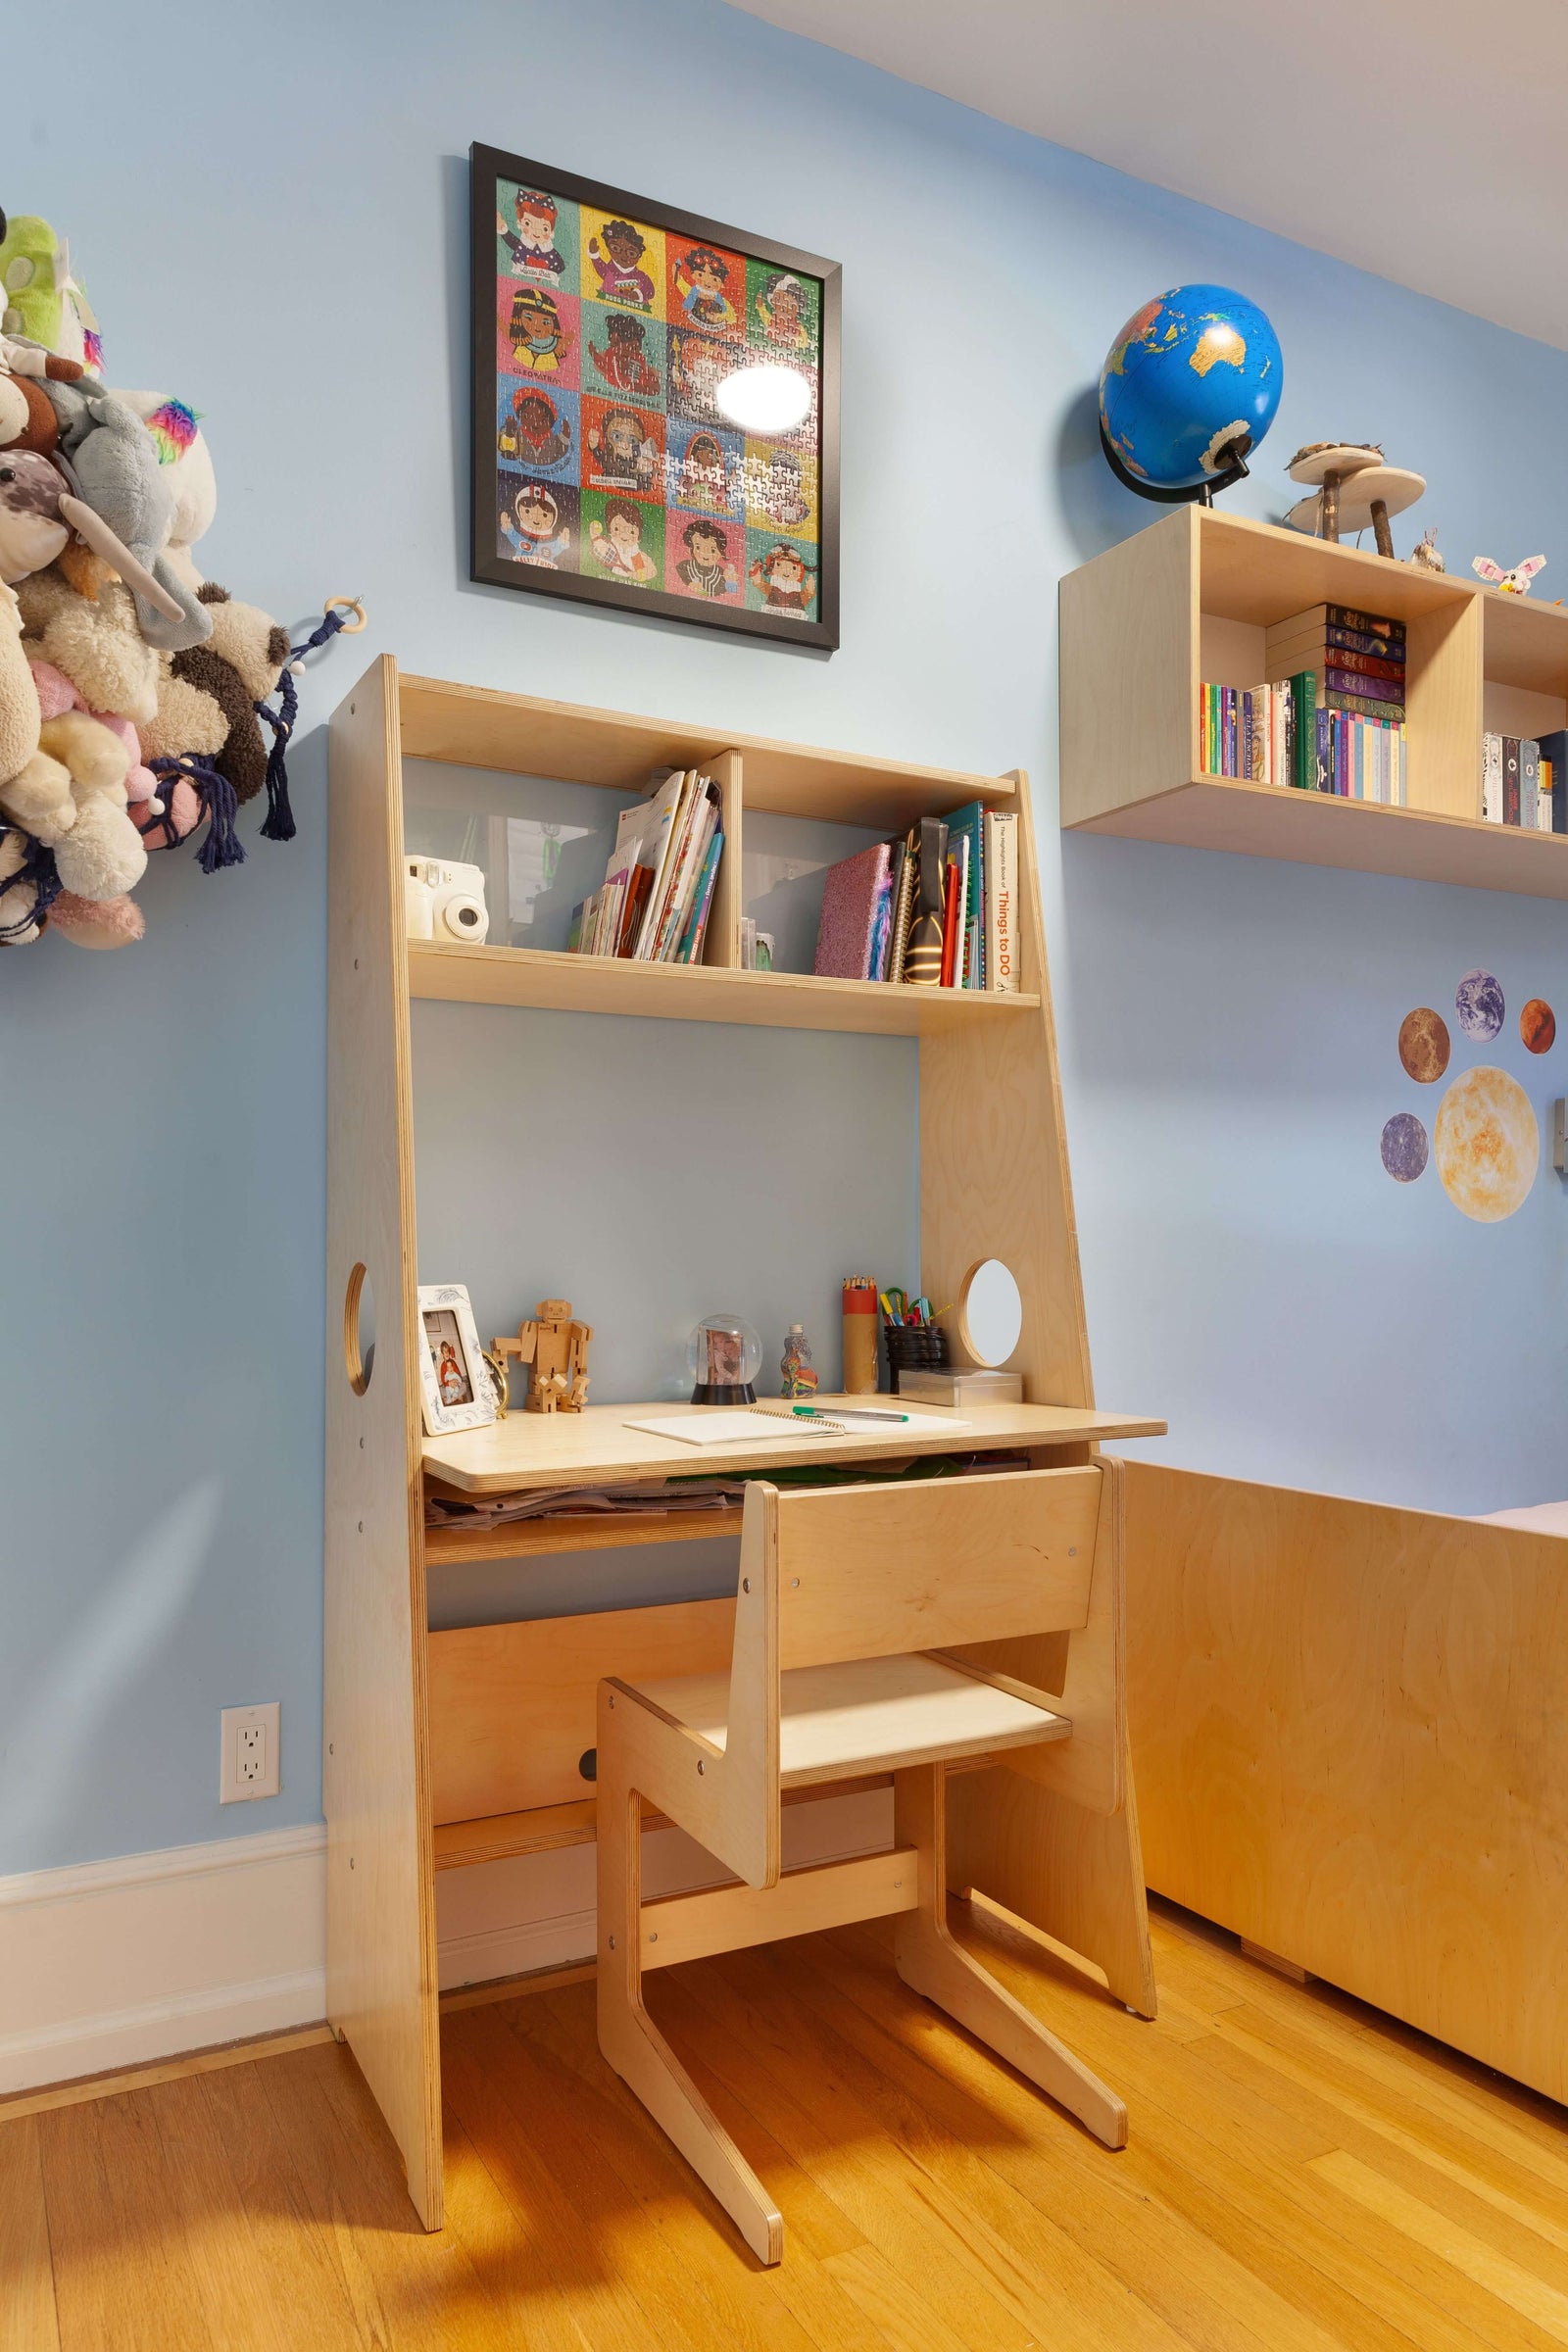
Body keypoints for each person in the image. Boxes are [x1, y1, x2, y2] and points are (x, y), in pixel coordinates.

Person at [587, 311, 660, 396]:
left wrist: (642, 387)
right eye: (614, 343)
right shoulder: (611, 356)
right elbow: (603, 365)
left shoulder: (639, 359)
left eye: (634, 347)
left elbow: (655, 388)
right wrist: (593, 353)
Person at [496, 188, 565, 277]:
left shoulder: (550, 251)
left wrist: (550, 274)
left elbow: (561, 266)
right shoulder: (524, 244)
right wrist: (503, 229)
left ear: (551, 231)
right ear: (520, 223)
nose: (536, 231)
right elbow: (512, 242)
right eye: (528, 223)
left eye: (544, 228)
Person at [588, 219, 657, 309]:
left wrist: (637, 294)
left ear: (638, 256)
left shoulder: (641, 276)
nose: (623, 256)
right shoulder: (609, 269)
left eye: (631, 253)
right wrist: (594, 255)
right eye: (615, 248)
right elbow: (601, 269)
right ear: (608, 248)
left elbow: (650, 292)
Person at [587, 406, 659, 492]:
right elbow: (603, 460)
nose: (625, 445)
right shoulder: (609, 462)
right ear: (608, 439)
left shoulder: (638, 465)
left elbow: (647, 487)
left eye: (632, 440)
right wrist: (595, 448)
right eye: (617, 436)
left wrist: (644, 473)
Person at [498, 387, 571, 470]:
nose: (535, 423)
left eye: (543, 420)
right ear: (520, 416)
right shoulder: (516, 434)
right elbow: (506, 448)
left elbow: (561, 449)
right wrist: (509, 430)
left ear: (551, 422)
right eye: (527, 416)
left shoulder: (553, 441)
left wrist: (565, 436)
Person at [588, 497, 658, 584]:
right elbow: (597, 541)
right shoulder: (611, 550)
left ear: (638, 536)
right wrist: (594, 530)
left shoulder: (636, 556)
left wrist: (641, 575)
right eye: (617, 529)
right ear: (610, 530)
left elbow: (652, 570)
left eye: (632, 532)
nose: (624, 535)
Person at [501, 482, 571, 567]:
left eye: (545, 515)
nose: (536, 519)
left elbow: (556, 547)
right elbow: (513, 535)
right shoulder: (521, 541)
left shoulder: (548, 547)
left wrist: (562, 542)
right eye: (527, 511)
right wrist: (507, 527)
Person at [509, 285, 573, 373]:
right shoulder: (521, 342)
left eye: (545, 323)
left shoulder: (554, 345)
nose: (538, 327)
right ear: (518, 317)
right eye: (529, 318)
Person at [673, 244, 737, 332]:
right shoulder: (694, 291)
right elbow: (681, 284)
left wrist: (719, 317)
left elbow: (733, 317)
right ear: (693, 275)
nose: (707, 282)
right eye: (700, 274)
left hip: (713, 332)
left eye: (714, 279)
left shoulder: (720, 299)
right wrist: (675, 270)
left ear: (722, 284)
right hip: (690, 327)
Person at [750, 539, 816, 616]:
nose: (786, 572)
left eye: (793, 568)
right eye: (779, 564)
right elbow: (760, 584)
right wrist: (755, 572)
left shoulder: (797, 595)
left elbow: (806, 596)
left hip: (795, 617)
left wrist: (810, 588)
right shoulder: (773, 590)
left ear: (800, 571)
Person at [674, 517, 737, 599]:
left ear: (720, 554)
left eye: (713, 550)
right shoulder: (683, 567)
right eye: (698, 547)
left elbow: (731, 594)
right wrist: (690, 584)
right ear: (690, 550)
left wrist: (731, 581)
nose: (706, 553)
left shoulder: (722, 575)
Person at [751, 445, 809, 528]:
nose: (779, 488)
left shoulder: (802, 511)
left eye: (783, 483)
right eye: (774, 481)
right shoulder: (762, 503)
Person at [675, 429, 731, 511]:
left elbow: (723, 503)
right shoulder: (686, 479)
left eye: (714, 457)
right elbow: (680, 496)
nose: (713, 458)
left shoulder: (719, 485)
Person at [755, 270, 811, 350]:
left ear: (798, 309)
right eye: (778, 300)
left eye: (792, 305)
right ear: (772, 302)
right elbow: (765, 316)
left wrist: (794, 341)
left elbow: (805, 342)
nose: (785, 307)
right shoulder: (773, 321)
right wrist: (760, 305)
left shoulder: (797, 326)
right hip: (769, 348)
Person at [437, 1340, 470, 1406]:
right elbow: (443, 1381)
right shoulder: (443, 1365)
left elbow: (459, 1375)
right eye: (444, 1352)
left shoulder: (453, 1362)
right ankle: (457, 1396)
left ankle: (452, 1398)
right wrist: (449, 1383)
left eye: (447, 1351)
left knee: (464, 1385)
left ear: (449, 1352)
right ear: (442, 1353)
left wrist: (456, 1381)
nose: (446, 1353)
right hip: (448, 1387)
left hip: (456, 1385)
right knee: (439, 1390)